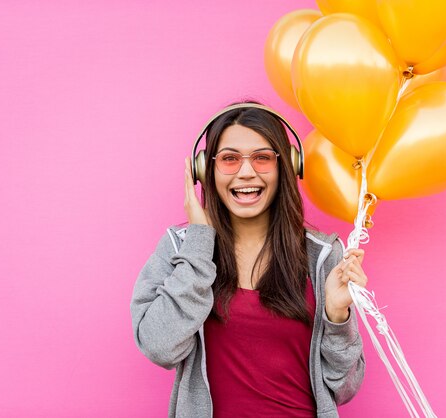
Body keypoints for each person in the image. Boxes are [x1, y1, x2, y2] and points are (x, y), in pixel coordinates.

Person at [130, 102, 368, 418]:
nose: (246, 172)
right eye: (229, 159)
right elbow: (159, 347)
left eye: (262, 158)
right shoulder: (181, 248)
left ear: (288, 166)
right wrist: (200, 243)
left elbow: (344, 388)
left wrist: (338, 316)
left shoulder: (322, 255)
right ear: (205, 170)